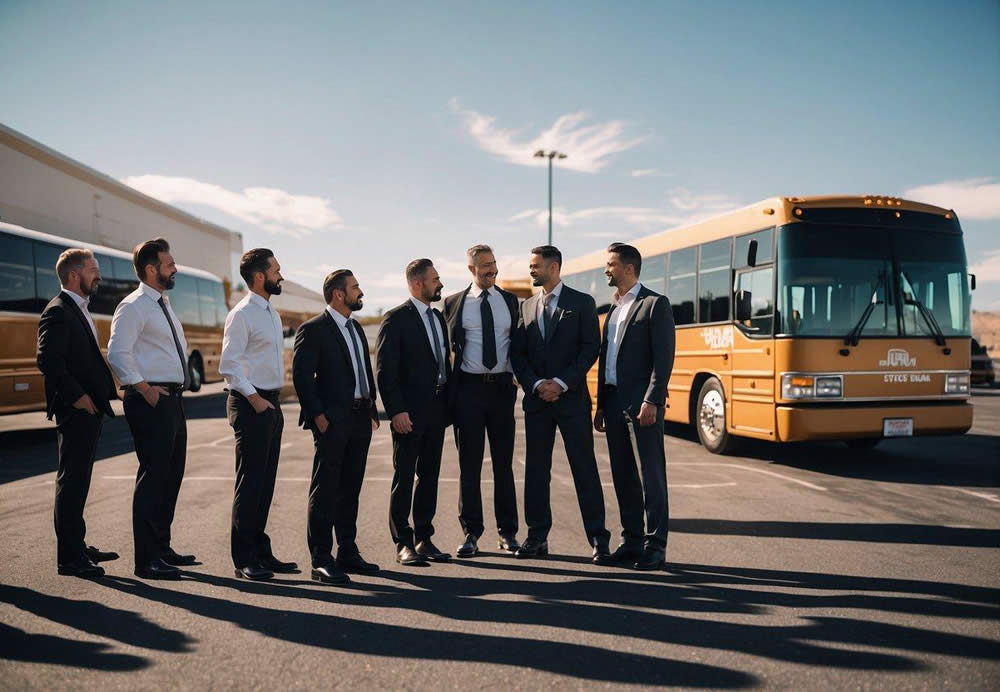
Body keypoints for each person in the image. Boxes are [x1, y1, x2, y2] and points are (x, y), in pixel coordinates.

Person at [510, 245, 611, 562]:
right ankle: (536, 537)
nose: (531, 270)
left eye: (535, 265)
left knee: (584, 470)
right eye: (531, 265)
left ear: (554, 267)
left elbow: (590, 348)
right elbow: (518, 354)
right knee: (536, 473)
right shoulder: (525, 307)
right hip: (538, 402)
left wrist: (562, 383)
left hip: (572, 402)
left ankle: (598, 539)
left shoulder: (582, 303)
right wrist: (538, 384)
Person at [107, 237, 195, 580]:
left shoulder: (163, 303)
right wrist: (143, 388)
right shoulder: (133, 305)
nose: (174, 268)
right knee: (154, 477)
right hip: (151, 401)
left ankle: (161, 547)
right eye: (169, 263)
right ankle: (146, 560)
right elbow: (117, 353)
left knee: (171, 475)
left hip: (172, 399)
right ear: (150, 269)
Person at [293, 270, 381, 585]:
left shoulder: (355, 327)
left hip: (360, 419)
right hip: (332, 422)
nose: (361, 292)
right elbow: (302, 377)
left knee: (350, 490)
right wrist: (318, 416)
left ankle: (347, 551)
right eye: (356, 287)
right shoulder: (314, 329)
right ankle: (320, 558)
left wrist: (371, 408)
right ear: (339, 294)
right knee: (326, 489)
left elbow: (363, 370)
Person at [36, 248, 119, 578]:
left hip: (90, 409)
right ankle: (70, 558)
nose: (98, 275)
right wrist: (78, 397)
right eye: (93, 270)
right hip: (77, 410)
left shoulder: (78, 308)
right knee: (71, 482)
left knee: (79, 481)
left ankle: (77, 545)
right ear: (74, 275)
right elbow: (48, 361)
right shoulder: (57, 311)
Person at [594, 243, 675, 570]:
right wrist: (601, 404)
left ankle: (656, 545)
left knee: (651, 475)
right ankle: (631, 540)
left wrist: (653, 399)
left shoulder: (655, 304)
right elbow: (607, 360)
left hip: (642, 405)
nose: (606, 270)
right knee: (622, 475)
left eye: (610, 264)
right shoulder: (613, 309)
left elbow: (664, 358)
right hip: (613, 403)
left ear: (629, 268)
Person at [220, 248, 298, 581]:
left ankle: (260, 552)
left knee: (264, 484)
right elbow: (229, 364)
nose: (282, 275)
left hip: (270, 402)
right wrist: (255, 400)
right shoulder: (242, 313)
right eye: (277, 270)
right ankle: (244, 558)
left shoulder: (270, 312)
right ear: (260, 276)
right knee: (250, 484)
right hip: (250, 402)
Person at [443, 244, 520, 557]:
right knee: (469, 466)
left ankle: (508, 533)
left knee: (504, 465)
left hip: (502, 390)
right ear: (471, 270)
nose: (492, 270)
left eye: (494, 263)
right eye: (484, 265)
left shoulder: (511, 302)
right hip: (468, 392)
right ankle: (471, 532)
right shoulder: (453, 304)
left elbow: (520, 344)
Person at [376, 259, 453, 566]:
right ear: (418, 283)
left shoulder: (437, 317)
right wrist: (396, 411)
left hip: (436, 411)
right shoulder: (395, 319)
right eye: (435, 279)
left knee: (430, 476)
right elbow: (385, 371)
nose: (440, 284)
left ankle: (424, 538)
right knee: (405, 476)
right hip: (408, 413)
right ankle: (403, 543)